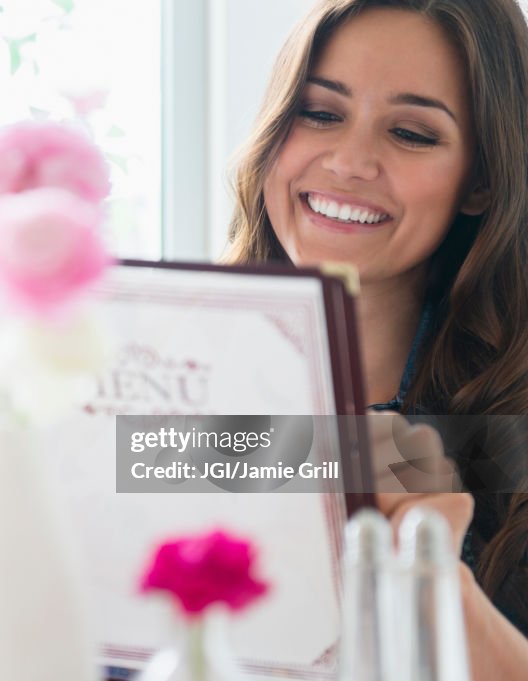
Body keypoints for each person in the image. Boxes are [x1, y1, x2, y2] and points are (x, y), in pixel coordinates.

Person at [224, 0, 528, 678]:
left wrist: (436, 580)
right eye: (322, 113)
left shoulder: (512, 436)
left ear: (480, 179)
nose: (351, 161)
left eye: (413, 133)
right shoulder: (169, 382)